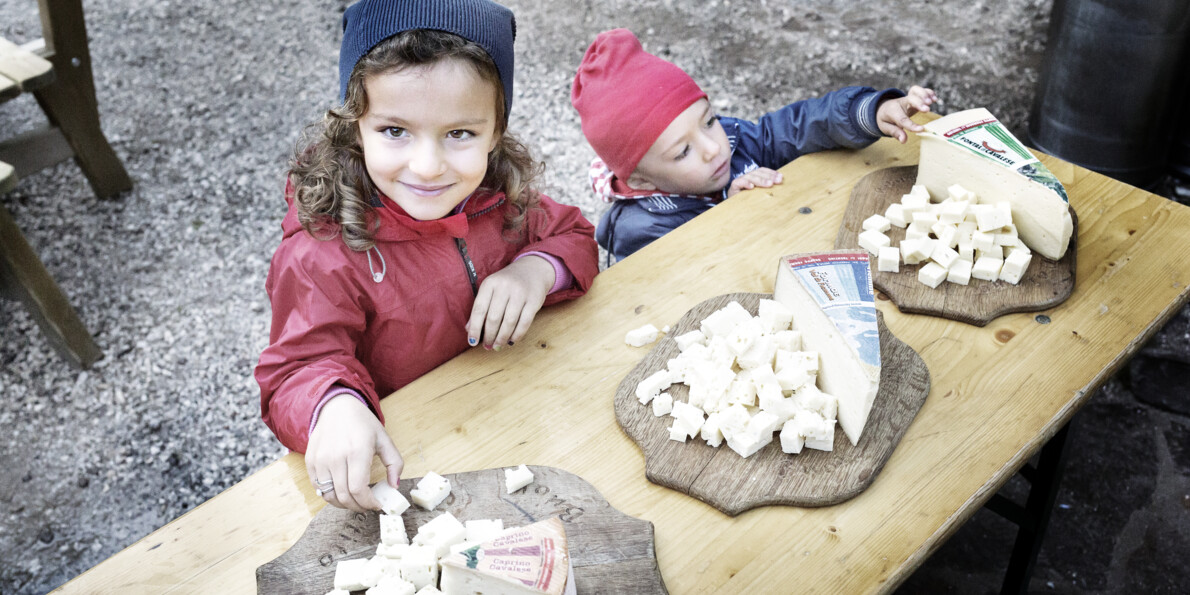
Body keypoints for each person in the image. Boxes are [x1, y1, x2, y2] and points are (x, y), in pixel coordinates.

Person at [255, 0, 599, 512]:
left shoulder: (499, 195)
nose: (428, 166)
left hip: (514, 420)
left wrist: (534, 271)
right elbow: (297, 367)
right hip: (406, 465)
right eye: (395, 131)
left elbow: (573, 232)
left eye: (460, 134)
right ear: (355, 126)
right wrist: (333, 406)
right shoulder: (320, 254)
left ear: (496, 132)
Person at [571, 28, 938, 263]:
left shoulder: (733, 141)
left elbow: (796, 126)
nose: (714, 147)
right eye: (683, 152)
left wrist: (869, 112)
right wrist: (729, 211)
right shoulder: (640, 230)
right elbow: (689, 282)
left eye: (709, 121)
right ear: (644, 181)